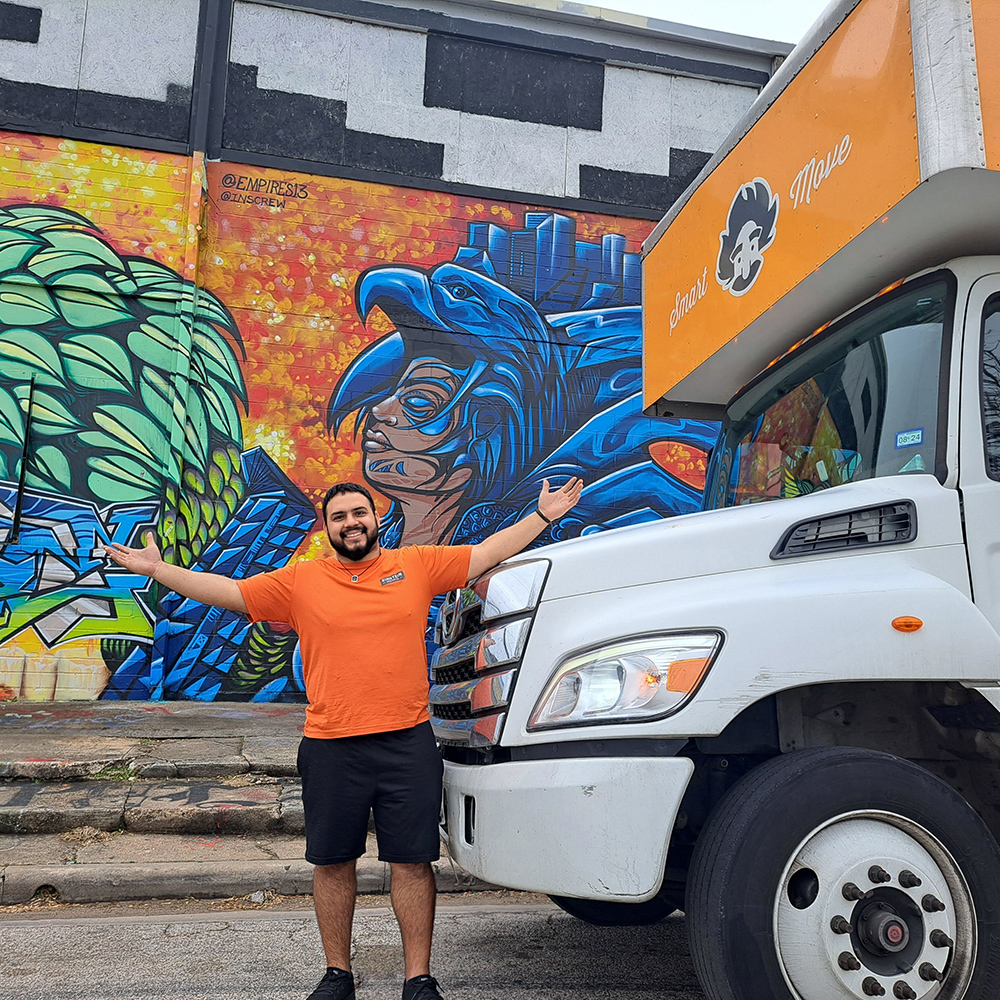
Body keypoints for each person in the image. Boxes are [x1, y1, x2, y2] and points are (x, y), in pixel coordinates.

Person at [103, 475, 584, 1000]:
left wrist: (543, 515)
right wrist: (156, 569)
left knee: (413, 862)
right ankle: (338, 975)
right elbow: (231, 593)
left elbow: (487, 552)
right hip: (331, 746)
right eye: (339, 517)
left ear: (375, 519)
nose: (351, 523)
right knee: (332, 863)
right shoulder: (301, 581)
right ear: (327, 527)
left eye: (359, 513)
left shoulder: (415, 565)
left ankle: (418, 979)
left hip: (407, 743)